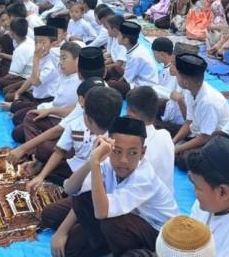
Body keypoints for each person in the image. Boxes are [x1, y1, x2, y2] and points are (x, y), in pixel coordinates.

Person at [43, 116, 180, 257]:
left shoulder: (144, 177)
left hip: (156, 231)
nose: (123, 160)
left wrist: (96, 163)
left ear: (142, 153)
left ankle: (126, 251)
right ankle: (104, 243)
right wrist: (92, 160)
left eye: (133, 153)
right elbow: (70, 189)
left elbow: (102, 212)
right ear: (109, 148)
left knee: (111, 223)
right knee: (63, 237)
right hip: (122, 220)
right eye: (117, 151)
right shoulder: (108, 163)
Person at [25, 78, 114, 190]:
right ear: (82, 101)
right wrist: (41, 177)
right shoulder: (75, 124)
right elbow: (59, 152)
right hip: (76, 167)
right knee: (49, 168)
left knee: (70, 189)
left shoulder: (114, 130)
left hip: (101, 174)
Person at [173, 53, 229, 170]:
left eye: (177, 75)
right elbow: (188, 122)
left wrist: (177, 148)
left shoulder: (209, 101)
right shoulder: (190, 90)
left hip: (213, 140)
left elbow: (205, 137)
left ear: (186, 82)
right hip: (195, 132)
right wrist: (173, 141)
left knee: (186, 159)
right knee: (162, 130)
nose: (176, 77)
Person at [7, 25, 60, 138]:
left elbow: (35, 81)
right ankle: (20, 111)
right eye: (36, 42)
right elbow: (31, 78)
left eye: (43, 42)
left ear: (53, 44)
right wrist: (19, 92)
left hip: (47, 102)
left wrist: (36, 58)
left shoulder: (52, 63)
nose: (38, 46)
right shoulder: (42, 56)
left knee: (17, 131)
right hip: (36, 98)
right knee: (13, 99)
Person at [127, 86, 175, 192]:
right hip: (166, 199)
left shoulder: (134, 145)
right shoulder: (165, 135)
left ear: (132, 114)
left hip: (143, 203)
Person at [107, 21, 158, 98]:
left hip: (144, 88)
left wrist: (115, 83)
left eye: (119, 35)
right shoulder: (136, 48)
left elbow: (127, 79)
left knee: (111, 84)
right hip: (136, 79)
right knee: (113, 71)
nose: (117, 37)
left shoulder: (135, 56)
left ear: (125, 41)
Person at [0, 17, 35, 101]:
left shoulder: (20, 49)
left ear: (12, 33)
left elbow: (12, 75)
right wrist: (2, 55)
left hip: (26, 78)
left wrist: (4, 78)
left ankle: (24, 93)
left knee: (1, 83)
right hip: (28, 75)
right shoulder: (28, 40)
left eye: (10, 30)